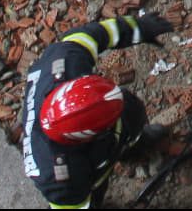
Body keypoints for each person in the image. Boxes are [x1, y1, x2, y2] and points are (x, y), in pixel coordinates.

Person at [22, 13, 173, 208]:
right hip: (88, 175)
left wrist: (137, 28)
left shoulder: (65, 60)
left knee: (130, 110)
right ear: (89, 137)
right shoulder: (62, 182)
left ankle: (133, 145)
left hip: (96, 145)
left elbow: (94, 34)